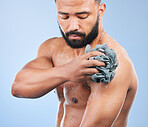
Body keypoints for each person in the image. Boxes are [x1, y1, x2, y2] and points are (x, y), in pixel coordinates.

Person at [11, 0, 138, 126]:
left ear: (100, 11)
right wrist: (68, 72)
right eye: (64, 16)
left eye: (82, 16)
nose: (72, 27)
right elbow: (19, 87)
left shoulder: (111, 64)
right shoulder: (53, 49)